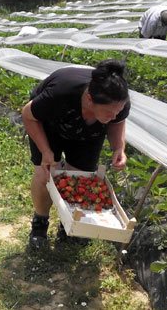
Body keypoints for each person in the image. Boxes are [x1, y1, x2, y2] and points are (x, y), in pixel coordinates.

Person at [22, 60, 130, 249]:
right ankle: (40, 223)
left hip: (88, 136)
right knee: (44, 174)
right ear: (89, 99)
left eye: (117, 111)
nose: (113, 116)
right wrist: (46, 152)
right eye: (108, 112)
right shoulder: (60, 93)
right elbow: (28, 114)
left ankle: (69, 224)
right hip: (48, 127)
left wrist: (118, 148)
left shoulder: (117, 103)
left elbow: (117, 123)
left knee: (79, 178)